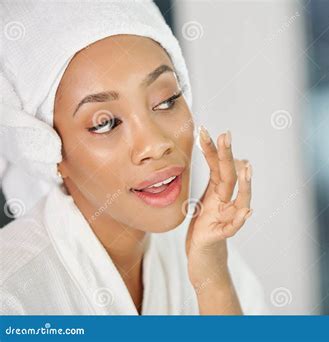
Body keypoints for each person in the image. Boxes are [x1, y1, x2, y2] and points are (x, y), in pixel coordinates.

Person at [0, 0, 266, 315]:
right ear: (49, 149)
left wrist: (213, 279)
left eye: (166, 100)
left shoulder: (206, 250)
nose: (155, 145)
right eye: (105, 123)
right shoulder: (13, 295)